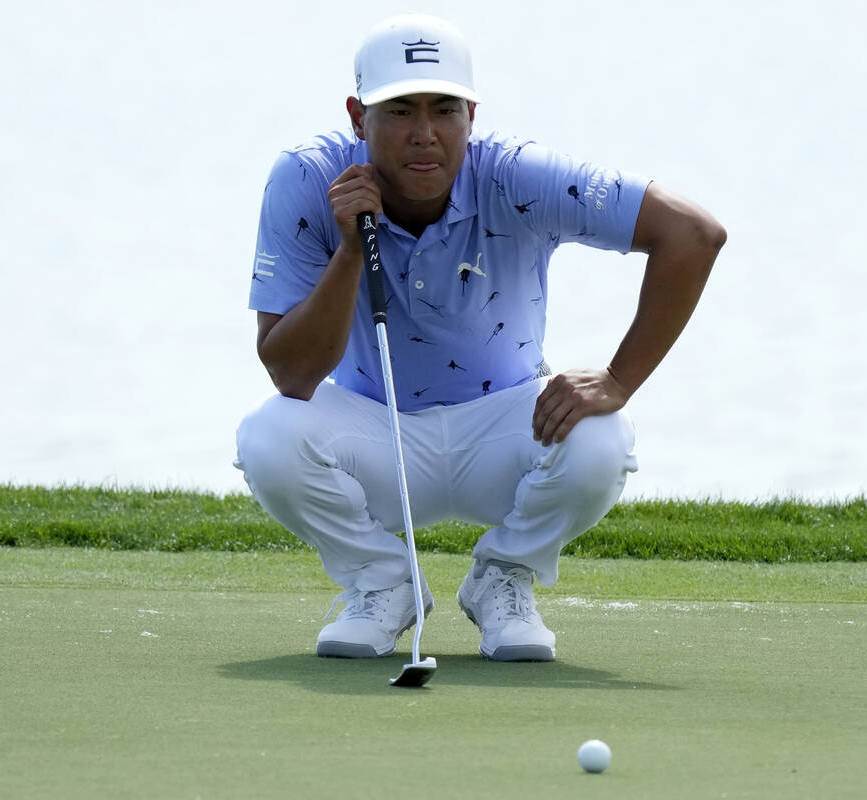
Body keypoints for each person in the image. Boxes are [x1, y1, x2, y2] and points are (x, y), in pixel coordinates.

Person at [234, 14, 725, 663]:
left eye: (444, 110)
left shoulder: (517, 175)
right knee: (268, 436)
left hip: (504, 429)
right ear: (358, 117)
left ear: (472, 114)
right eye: (400, 110)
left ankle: (503, 579)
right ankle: (384, 582)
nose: (424, 135)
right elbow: (291, 375)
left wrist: (617, 380)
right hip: (374, 433)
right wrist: (352, 249)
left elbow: (693, 234)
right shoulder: (307, 177)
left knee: (602, 437)